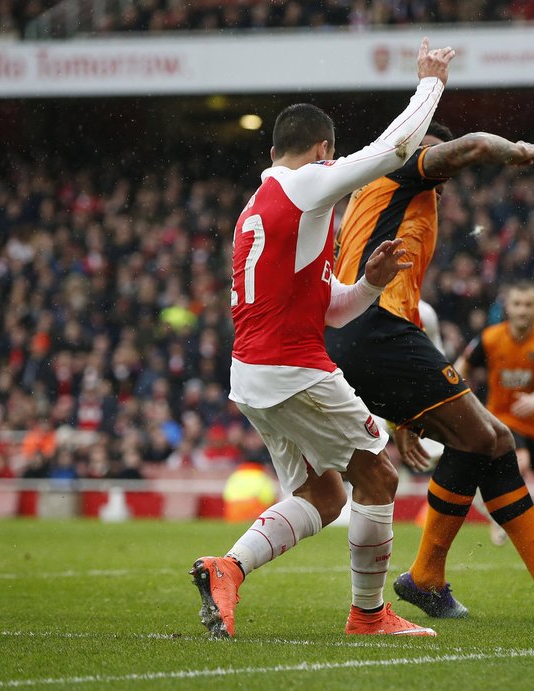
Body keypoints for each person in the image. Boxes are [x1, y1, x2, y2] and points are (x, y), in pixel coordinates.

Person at [189, 37, 454, 639]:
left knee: (323, 495)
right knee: (379, 478)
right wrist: (429, 83)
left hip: (254, 376)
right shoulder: (304, 184)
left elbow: (331, 311)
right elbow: (394, 150)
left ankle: (226, 568)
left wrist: (367, 284)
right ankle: (368, 616)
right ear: (322, 151)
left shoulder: (257, 206)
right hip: (293, 370)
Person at [330, 123, 534, 621]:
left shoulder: (380, 194)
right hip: (375, 330)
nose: (443, 178)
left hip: (371, 333)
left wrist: (404, 418)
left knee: (492, 439)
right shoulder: (403, 166)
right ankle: (435, 575)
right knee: (480, 437)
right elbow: (471, 146)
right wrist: (519, 151)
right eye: (435, 158)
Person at [454, 281, 534, 556]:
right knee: (519, 461)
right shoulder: (489, 337)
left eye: (529, 305)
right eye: (518, 304)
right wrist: (459, 397)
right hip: (502, 419)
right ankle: (501, 519)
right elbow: (460, 369)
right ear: (507, 307)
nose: (523, 311)